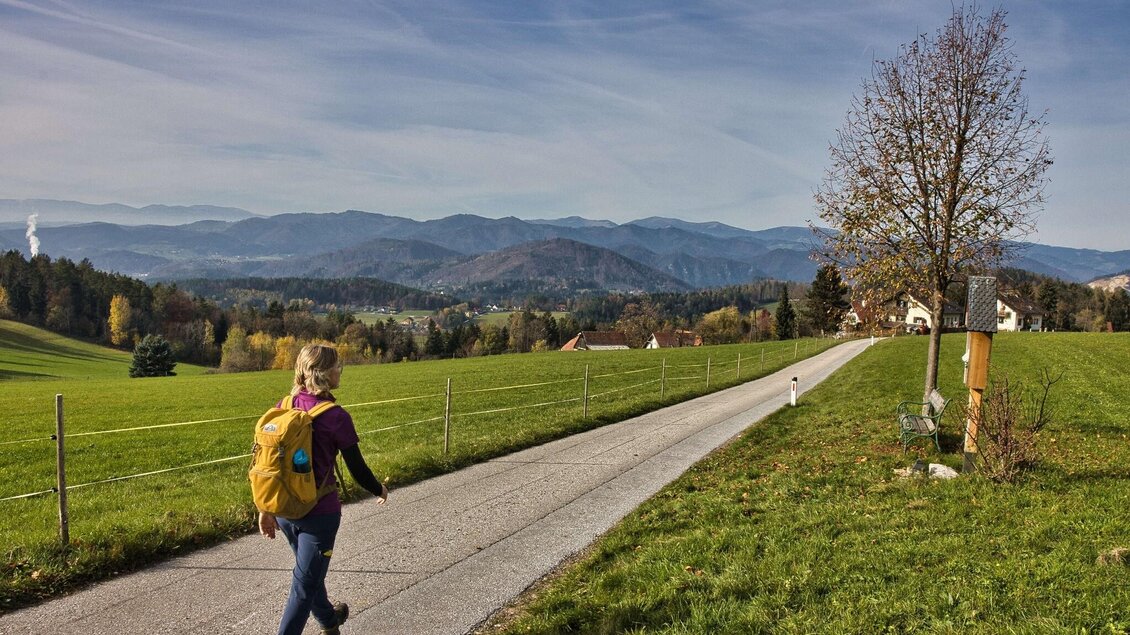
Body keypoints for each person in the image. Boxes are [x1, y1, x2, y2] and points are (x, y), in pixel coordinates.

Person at [258, 344, 388, 635]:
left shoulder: (283, 406)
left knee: (309, 575)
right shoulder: (336, 417)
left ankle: (330, 622)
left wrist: (265, 509)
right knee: (303, 586)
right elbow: (357, 469)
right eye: (337, 366)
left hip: (284, 511)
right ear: (325, 374)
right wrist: (379, 488)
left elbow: (269, 466)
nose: (340, 370)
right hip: (319, 515)